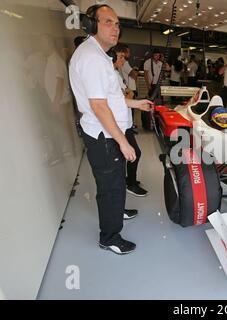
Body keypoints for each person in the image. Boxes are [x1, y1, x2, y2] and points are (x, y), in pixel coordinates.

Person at [69, 4, 152, 254]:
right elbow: (99, 106)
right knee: (110, 187)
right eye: (107, 22)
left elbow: (111, 98)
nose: (115, 28)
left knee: (115, 181)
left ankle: (118, 211)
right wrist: (124, 142)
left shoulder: (100, 55)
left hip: (108, 133)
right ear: (92, 25)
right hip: (104, 137)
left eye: (117, 23)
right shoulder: (92, 58)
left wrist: (136, 103)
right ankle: (110, 237)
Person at [111, 46, 149, 198]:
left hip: (124, 122)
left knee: (134, 153)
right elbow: (122, 97)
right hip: (119, 123)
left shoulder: (116, 74)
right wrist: (130, 95)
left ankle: (130, 180)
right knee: (135, 153)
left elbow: (125, 93)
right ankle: (130, 184)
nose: (123, 60)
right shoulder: (111, 75)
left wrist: (129, 94)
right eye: (120, 57)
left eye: (123, 57)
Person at [143, 49, 162, 130]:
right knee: (151, 102)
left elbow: (168, 69)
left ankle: (158, 121)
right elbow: (146, 74)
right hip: (152, 85)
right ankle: (151, 121)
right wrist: (148, 85)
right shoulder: (148, 62)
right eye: (155, 55)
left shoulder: (161, 63)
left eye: (158, 55)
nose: (157, 57)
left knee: (159, 102)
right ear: (153, 55)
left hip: (159, 85)